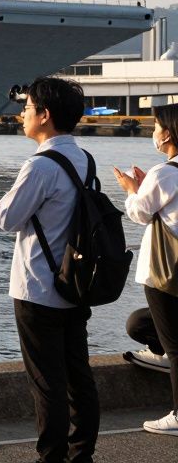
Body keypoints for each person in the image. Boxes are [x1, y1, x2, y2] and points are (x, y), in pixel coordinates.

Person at [0, 76, 99, 462]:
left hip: (38, 286)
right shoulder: (84, 159)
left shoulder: (39, 166)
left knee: (47, 383)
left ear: (45, 115)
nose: (22, 115)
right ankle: (80, 454)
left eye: (28, 109)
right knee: (78, 377)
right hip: (75, 284)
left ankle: (50, 456)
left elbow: (7, 217)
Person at [112, 99, 178, 435]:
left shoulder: (165, 172)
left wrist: (130, 190)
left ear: (167, 135)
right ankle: (162, 351)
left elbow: (139, 213)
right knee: (142, 323)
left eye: (156, 127)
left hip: (164, 273)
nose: (153, 133)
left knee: (176, 343)